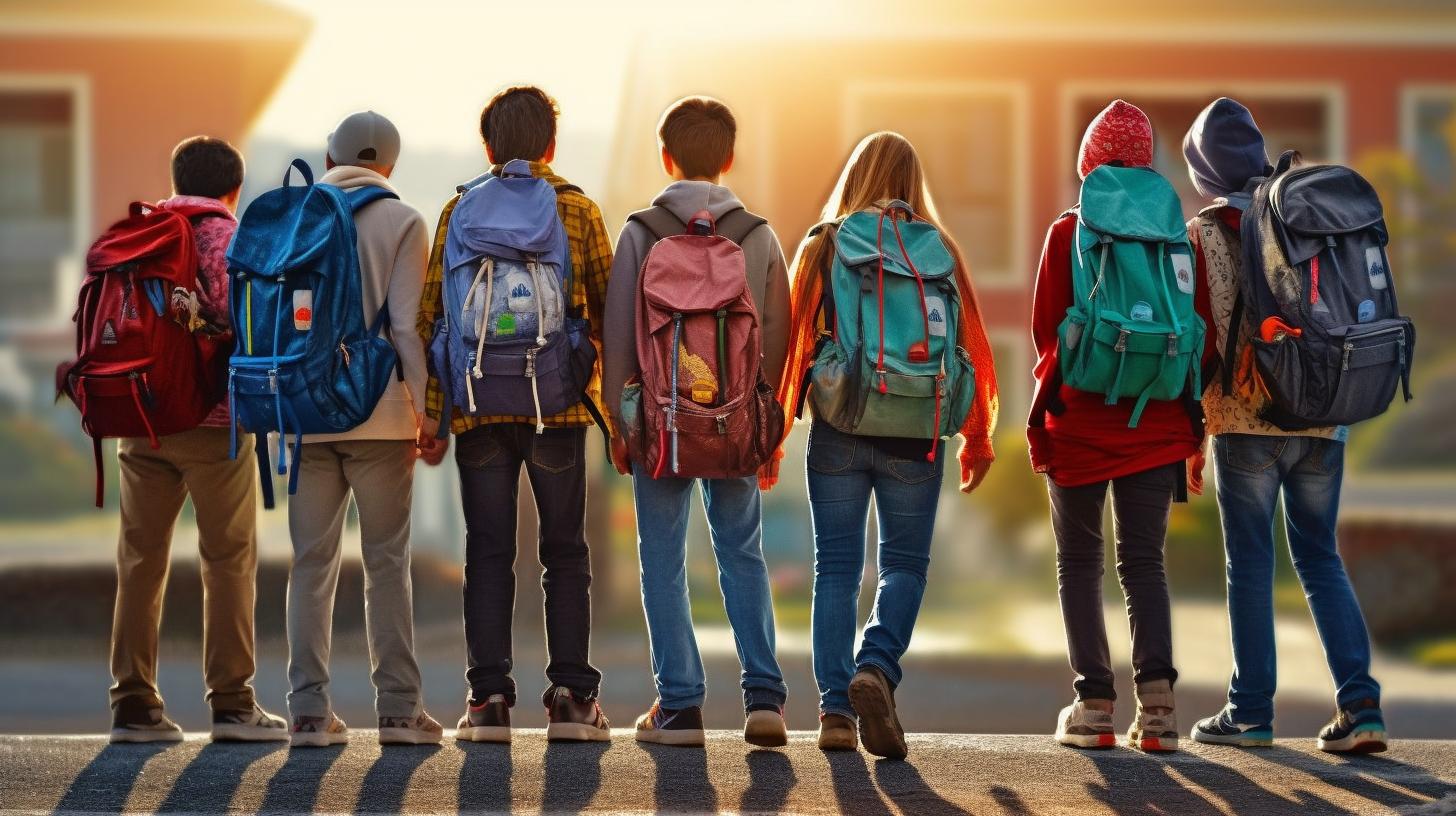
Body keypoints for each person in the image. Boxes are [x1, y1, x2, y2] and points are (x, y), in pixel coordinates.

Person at [775, 132, 999, 758]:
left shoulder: (827, 244)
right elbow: (973, 348)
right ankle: (875, 666)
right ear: (912, 181)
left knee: (836, 570)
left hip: (842, 425)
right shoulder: (940, 249)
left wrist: (774, 432)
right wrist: (977, 437)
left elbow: (793, 339)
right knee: (904, 566)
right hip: (917, 433)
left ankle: (834, 713)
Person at [1182, 97, 1387, 753]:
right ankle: (1361, 709)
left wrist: (1193, 426)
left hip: (1246, 420)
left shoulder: (1206, 230)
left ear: (1202, 170)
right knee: (1321, 559)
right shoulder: (1302, 213)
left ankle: (1249, 713)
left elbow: (1203, 340)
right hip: (1325, 412)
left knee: (1250, 563)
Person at [415, 85, 614, 743]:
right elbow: (611, 314)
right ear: (551, 146)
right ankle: (571, 700)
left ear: (489, 146)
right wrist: (616, 417)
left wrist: (436, 418)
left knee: (488, 552)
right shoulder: (577, 209)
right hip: (555, 403)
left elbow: (433, 319)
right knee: (565, 551)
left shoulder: (456, 211)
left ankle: (489, 700)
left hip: (478, 404)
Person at [601, 95, 791, 748]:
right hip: (737, 424)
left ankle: (679, 707)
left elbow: (620, 341)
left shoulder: (640, 232)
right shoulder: (757, 235)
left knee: (662, 558)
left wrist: (623, 428)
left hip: (661, 424)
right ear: (729, 157)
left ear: (665, 156)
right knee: (743, 552)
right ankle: (764, 697)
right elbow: (775, 341)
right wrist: (764, 430)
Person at [1028, 100, 1200, 752]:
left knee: (1080, 562)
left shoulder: (1067, 233)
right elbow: (1193, 335)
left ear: (1089, 162)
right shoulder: (1174, 238)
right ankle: (1158, 710)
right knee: (1144, 563)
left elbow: (1047, 333)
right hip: (1156, 421)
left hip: (1078, 424)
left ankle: (1094, 707)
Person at [107, 136, 288, 744]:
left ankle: (133, 704)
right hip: (215, 424)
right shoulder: (231, 240)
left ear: (176, 177)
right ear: (233, 189)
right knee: (228, 559)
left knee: (139, 558)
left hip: (141, 417)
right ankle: (233, 704)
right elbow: (253, 327)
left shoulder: (138, 236)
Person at [284, 110, 442, 747]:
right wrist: (427, 412)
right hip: (380, 417)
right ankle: (400, 711)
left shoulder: (295, 216)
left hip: (302, 412)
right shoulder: (404, 221)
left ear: (328, 161)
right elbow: (406, 328)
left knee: (310, 565)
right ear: (390, 168)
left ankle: (307, 714)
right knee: (386, 564)